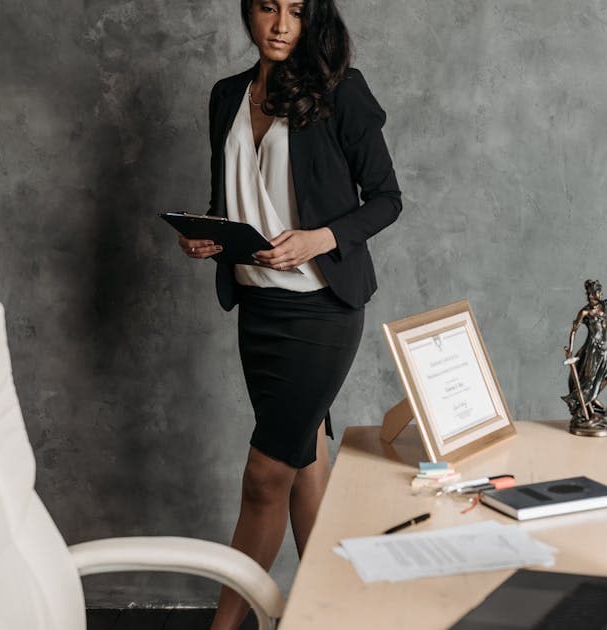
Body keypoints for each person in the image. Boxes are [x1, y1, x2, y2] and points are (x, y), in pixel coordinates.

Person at [176, 1, 402, 627]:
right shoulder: (226, 95)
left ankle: (226, 627)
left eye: (296, 11)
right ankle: (327, 615)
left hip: (320, 312)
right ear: (249, 12)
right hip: (258, 308)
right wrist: (202, 236)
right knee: (304, 467)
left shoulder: (339, 91)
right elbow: (233, 195)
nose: (280, 25)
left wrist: (319, 238)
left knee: (263, 478)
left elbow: (387, 199)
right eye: (268, 7)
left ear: (312, 19)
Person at [562, 279, 607, 425]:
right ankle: (582, 402)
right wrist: (569, 348)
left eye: (596, 293)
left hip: (603, 348)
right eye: (592, 294)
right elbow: (574, 330)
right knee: (589, 381)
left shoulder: (604, 305)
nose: (594, 296)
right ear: (590, 294)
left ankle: (592, 397)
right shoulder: (585, 312)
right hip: (592, 350)